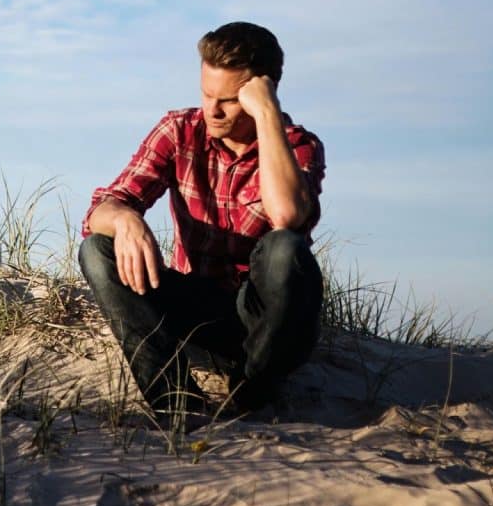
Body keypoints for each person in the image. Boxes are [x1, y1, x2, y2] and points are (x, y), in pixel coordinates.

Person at [78, 22, 325, 414]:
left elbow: (288, 215)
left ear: (264, 91)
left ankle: (253, 394)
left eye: (229, 99)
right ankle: (177, 404)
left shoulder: (297, 145)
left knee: (285, 248)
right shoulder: (180, 130)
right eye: (207, 94)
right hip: (199, 310)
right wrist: (125, 220)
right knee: (96, 249)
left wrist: (266, 115)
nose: (212, 109)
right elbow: (103, 207)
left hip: (271, 322)